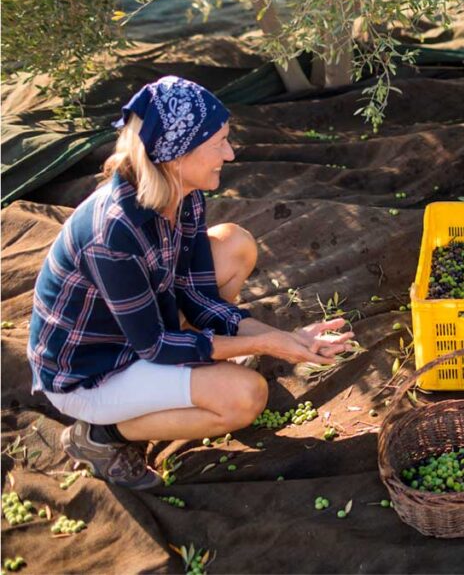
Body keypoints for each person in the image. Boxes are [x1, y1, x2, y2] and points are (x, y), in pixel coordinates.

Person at [27, 76, 356, 489]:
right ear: (175, 153)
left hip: (143, 331)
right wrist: (265, 344)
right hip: (90, 371)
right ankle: (100, 435)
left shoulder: (184, 195)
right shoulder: (113, 234)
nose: (230, 154)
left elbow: (199, 298)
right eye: (218, 143)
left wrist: (285, 337)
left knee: (234, 243)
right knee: (245, 396)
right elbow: (155, 346)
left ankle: (196, 370)